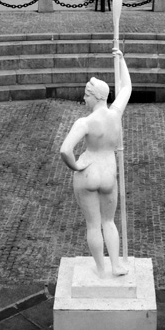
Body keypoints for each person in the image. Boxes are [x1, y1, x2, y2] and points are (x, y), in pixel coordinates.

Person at [59, 48, 132, 276]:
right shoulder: (116, 114)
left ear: (96, 96)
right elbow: (128, 88)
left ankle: (101, 269)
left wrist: (76, 166)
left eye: (86, 95)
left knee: (93, 225)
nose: (83, 98)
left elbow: (65, 150)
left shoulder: (85, 122)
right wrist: (121, 60)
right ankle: (116, 265)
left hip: (89, 171)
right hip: (108, 173)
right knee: (109, 222)